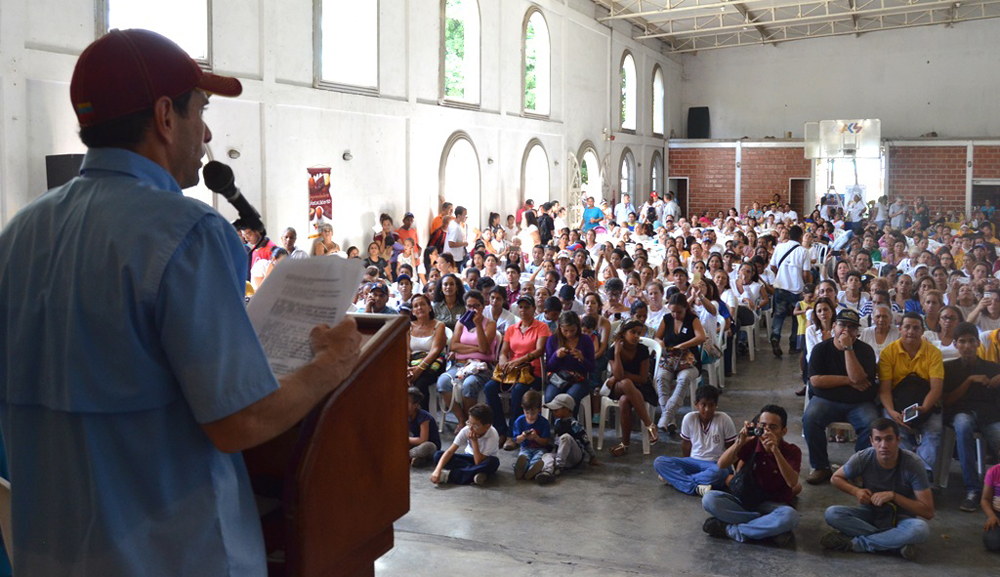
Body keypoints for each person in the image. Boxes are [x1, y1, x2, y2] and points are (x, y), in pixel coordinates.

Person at [0, 29, 363, 575]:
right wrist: (331, 365)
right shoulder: (186, 231)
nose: (208, 130)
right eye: (203, 109)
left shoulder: (19, 233)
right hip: (170, 556)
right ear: (166, 117)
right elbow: (239, 421)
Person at [822, 418, 934, 561]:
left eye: (889, 439)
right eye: (878, 440)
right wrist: (856, 491)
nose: (883, 445)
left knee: (920, 529)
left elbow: (928, 511)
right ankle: (895, 544)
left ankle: (857, 544)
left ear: (898, 440)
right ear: (871, 441)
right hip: (870, 514)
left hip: (901, 519)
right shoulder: (864, 457)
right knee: (832, 513)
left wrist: (894, 496)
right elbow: (835, 478)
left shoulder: (913, 464)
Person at [701, 405, 801, 546]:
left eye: (772, 427)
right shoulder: (752, 443)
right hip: (747, 502)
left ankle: (732, 530)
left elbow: (792, 482)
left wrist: (775, 451)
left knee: (790, 517)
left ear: (783, 431)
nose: (766, 431)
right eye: (763, 426)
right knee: (709, 499)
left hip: (775, 505)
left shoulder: (791, 451)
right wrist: (739, 442)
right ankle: (764, 526)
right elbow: (721, 464)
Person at [803, 309, 880, 485]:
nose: (846, 330)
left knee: (871, 424)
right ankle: (820, 466)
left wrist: (848, 348)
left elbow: (859, 378)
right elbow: (816, 381)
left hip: (859, 402)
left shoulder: (866, 351)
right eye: (842, 324)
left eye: (852, 327)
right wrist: (848, 381)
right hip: (826, 401)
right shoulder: (820, 349)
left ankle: (857, 469)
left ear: (857, 332)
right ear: (833, 328)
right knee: (810, 419)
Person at [878, 313, 945, 477]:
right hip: (896, 404)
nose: (911, 331)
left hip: (926, 404)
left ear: (922, 331)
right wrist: (893, 412)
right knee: (892, 429)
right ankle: (905, 472)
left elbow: (936, 388)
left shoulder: (934, 353)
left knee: (935, 430)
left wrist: (924, 408)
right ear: (900, 329)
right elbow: (884, 389)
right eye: (907, 327)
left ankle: (924, 473)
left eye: (916, 328)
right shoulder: (888, 353)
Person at [943, 322, 1000, 511]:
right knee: (963, 426)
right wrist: (969, 381)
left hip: (988, 415)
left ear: (978, 343)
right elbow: (947, 401)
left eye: (971, 341)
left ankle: (996, 488)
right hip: (961, 413)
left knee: (998, 435)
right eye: (962, 342)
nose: (967, 346)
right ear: (955, 344)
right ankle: (973, 490)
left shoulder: (992, 368)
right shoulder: (949, 368)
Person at [484, 295, 550, 450]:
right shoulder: (512, 329)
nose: (524, 310)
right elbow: (504, 351)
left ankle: (511, 435)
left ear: (534, 309)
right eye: (521, 307)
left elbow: (540, 350)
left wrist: (520, 360)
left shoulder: (541, 327)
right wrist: (502, 360)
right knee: (489, 387)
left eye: (527, 307)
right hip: (512, 372)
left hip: (532, 372)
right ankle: (500, 429)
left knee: (518, 391)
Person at [654, 385, 736, 496]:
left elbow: (732, 448)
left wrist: (736, 471)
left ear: (716, 405)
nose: (707, 409)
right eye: (703, 405)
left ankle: (675, 480)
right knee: (660, 462)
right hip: (694, 461)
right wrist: (686, 463)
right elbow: (686, 445)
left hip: (715, 464)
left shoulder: (724, 419)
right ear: (696, 404)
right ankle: (696, 487)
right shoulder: (689, 418)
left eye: (711, 405)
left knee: (720, 473)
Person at [436, 290, 497, 427]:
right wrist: (475, 349)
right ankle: (462, 420)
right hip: (460, 365)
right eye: (469, 306)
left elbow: (485, 348)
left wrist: (477, 325)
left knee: (469, 385)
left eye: (476, 306)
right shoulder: (461, 323)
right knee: (443, 382)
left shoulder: (490, 324)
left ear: (483, 306)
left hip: (481, 367)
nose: (473, 309)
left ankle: (471, 421)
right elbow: (454, 345)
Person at [604, 320, 660, 456]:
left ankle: (625, 444)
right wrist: (617, 354)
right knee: (625, 383)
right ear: (623, 333)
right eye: (632, 332)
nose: (636, 336)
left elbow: (642, 378)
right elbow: (619, 375)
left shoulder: (642, 350)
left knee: (624, 399)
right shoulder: (613, 350)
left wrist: (623, 376)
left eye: (638, 333)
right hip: (618, 387)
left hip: (640, 387)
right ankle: (649, 425)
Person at [654, 293, 706, 433]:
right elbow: (657, 337)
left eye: (679, 312)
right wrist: (662, 344)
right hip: (670, 360)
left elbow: (701, 337)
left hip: (689, 361)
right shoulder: (667, 319)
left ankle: (666, 417)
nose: (675, 315)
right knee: (661, 377)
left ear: (685, 308)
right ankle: (669, 418)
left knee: (683, 379)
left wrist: (683, 345)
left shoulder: (692, 319)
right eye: (673, 312)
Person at [430, 404, 500, 486]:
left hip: (484, 460)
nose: (470, 428)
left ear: (487, 427)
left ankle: (448, 476)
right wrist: (437, 470)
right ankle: (476, 473)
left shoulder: (492, 434)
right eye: (469, 423)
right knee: (438, 455)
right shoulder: (466, 429)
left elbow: (478, 461)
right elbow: (450, 451)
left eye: (475, 425)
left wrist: (474, 441)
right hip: (468, 458)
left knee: (493, 462)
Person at [537, 394, 600, 484]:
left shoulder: (574, 424)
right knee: (546, 455)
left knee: (565, 437)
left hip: (574, 457)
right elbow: (556, 441)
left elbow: (585, 441)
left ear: (566, 410)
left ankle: (558, 467)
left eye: (556, 410)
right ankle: (547, 472)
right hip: (562, 456)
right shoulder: (557, 422)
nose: (553, 412)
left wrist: (593, 456)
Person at [768, 225, 811, 357]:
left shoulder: (779, 247)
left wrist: (781, 275)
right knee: (796, 317)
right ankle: (793, 345)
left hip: (781, 287)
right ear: (800, 236)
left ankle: (775, 337)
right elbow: (805, 274)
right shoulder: (804, 252)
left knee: (779, 315)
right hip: (797, 290)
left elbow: (773, 266)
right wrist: (806, 285)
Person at [544, 311, 597, 417]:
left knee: (569, 399)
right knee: (550, 397)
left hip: (579, 379)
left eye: (572, 330)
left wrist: (582, 358)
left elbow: (592, 367)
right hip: (558, 379)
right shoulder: (553, 340)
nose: (569, 334)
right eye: (565, 330)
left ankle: (570, 427)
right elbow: (549, 367)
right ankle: (559, 425)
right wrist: (556, 356)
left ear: (578, 327)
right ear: (560, 327)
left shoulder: (585, 340)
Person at [408, 294, 448, 409]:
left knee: (420, 383)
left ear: (430, 308)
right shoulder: (409, 326)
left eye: (422, 304)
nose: (419, 308)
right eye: (416, 306)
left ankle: (423, 420)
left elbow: (435, 350)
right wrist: (407, 368)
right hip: (414, 361)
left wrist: (419, 369)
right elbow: (407, 351)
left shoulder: (439, 325)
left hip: (434, 361)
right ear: (413, 312)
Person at [511, 390, 551, 481]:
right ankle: (521, 469)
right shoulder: (519, 421)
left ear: (539, 409)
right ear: (523, 408)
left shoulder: (543, 422)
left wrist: (536, 437)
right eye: (527, 412)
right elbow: (516, 440)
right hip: (525, 447)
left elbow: (545, 442)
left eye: (533, 413)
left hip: (540, 448)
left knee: (538, 457)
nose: (530, 416)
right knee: (524, 457)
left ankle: (532, 470)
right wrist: (523, 436)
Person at [407, 388, 442, 467]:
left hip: (430, 446)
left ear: (415, 405)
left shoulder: (424, 417)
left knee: (427, 446)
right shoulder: (406, 415)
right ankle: (419, 459)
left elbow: (423, 439)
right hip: (415, 443)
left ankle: (406, 455)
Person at [983, 461, 1000, 551]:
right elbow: (985, 499)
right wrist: (991, 515)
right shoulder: (993, 471)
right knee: (992, 542)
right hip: (997, 514)